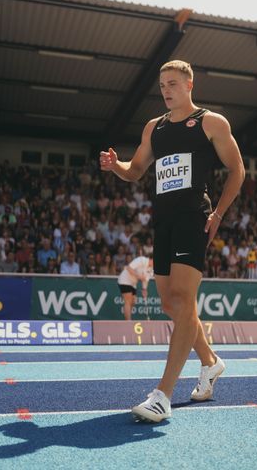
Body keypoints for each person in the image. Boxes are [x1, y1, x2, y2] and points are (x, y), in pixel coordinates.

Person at [100, 59, 245, 422]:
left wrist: (218, 214)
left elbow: (237, 169)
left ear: (189, 85)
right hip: (162, 221)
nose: (166, 90)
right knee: (170, 304)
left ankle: (162, 395)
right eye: (162, 85)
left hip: (193, 217)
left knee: (183, 298)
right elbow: (135, 171)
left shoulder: (211, 122)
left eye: (173, 84)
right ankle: (210, 363)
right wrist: (116, 166)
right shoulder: (155, 128)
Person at [117, 254, 153, 320]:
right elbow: (129, 268)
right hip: (125, 280)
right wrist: (139, 276)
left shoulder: (151, 269)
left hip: (133, 283)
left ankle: (128, 318)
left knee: (133, 301)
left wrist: (144, 289)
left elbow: (145, 280)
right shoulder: (141, 260)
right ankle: (128, 322)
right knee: (128, 300)